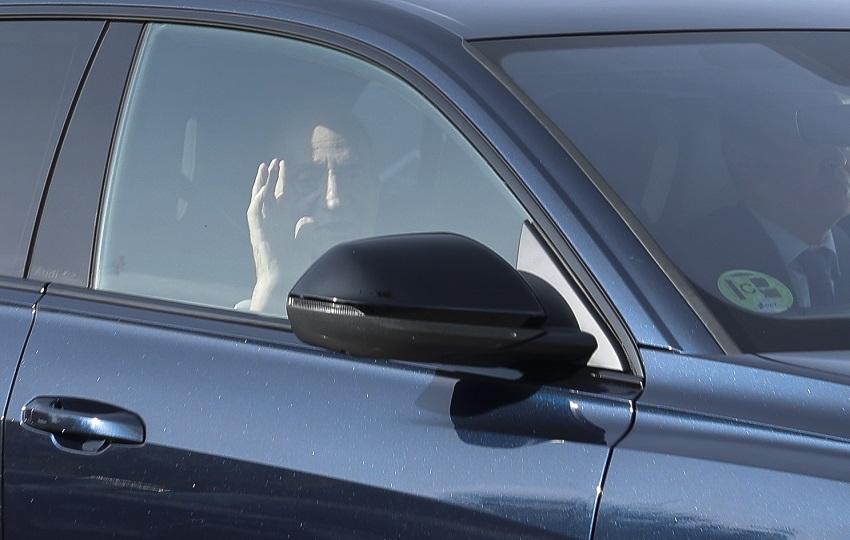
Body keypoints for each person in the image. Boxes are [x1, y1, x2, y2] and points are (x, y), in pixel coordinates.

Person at [676, 91, 850, 314]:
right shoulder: (688, 269)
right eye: (813, 140)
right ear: (745, 160)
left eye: (841, 139)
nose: (840, 159)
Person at [244, 115, 379, 315]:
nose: (334, 200)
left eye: (353, 175)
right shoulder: (205, 293)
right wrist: (274, 285)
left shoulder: (415, 287)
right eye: (307, 179)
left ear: (376, 187)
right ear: (269, 195)